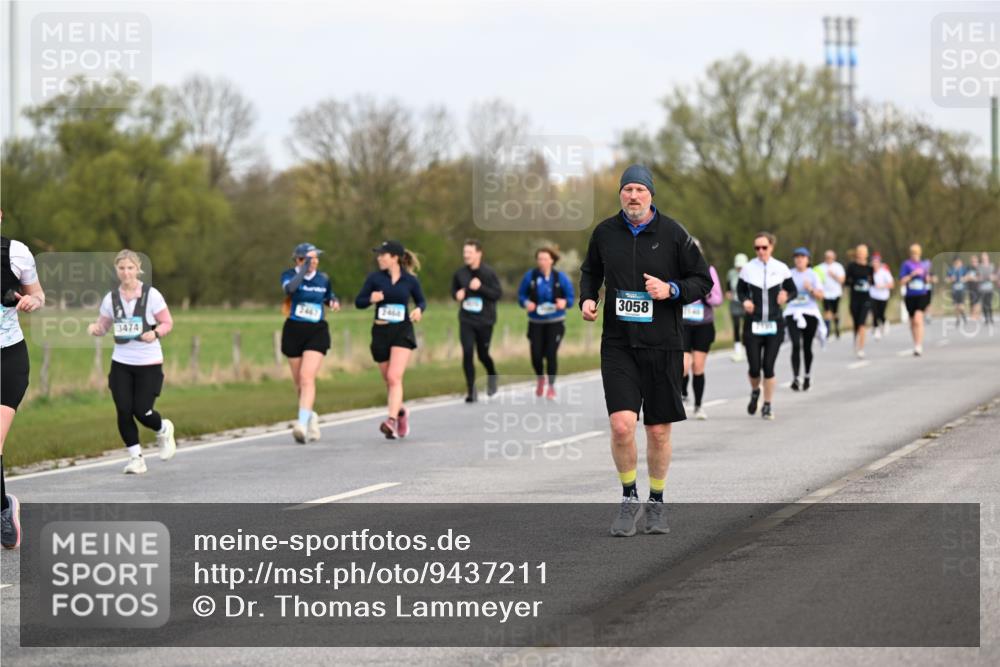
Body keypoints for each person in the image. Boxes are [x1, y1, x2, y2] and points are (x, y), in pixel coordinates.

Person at [579, 164, 711, 537]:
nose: (633, 196)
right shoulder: (605, 232)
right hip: (619, 344)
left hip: (663, 344)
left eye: (640, 189)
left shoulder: (674, 234)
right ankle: (628, 497)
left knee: (657, 431)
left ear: (651, 194)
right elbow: (590, 272)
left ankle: (656, 501)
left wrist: (671, 290)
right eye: (628, 189)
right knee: (622, 426)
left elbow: (702, 280)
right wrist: (588, 298)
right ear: (620, 194)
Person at [87, 250, 176, 475]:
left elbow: (167, 322)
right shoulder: (111, 299)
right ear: (116, 270)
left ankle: (163, 428)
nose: (126, 272)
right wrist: (96, 329)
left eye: (130, 268)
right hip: (121, 363)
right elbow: (103, 326)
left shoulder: (151, 295)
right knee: (124, 411)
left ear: (138, 269)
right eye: (121, 268)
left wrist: (155, 333)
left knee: (142, 411)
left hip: (149, 362)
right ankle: (136, 458)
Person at [1, 209, 45, 549]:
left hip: (8, 358)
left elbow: (38, 295)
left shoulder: (15, 253)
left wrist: (32, 300)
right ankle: (4, 505)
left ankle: (3, 512)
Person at [356, 241, 426, 439]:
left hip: (402, 330)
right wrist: (371, 299)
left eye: (382, 255)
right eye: (378, 255)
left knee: (395, 377)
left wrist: (418, 310)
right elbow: (359, 302)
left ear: (395, 257)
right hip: (380, 332)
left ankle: (391, 421)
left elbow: (421, 301)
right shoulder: (374, 278)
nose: (379, 258)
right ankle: (401, 412)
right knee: (389, 380)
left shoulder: (410, 280)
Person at [280, 243, 340, 443]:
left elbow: (328, 295)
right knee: (299, 383)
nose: (314, 261)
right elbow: (291, 289)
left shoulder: (323, 278)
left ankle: (301, 424)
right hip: (294, 330)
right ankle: (310, 416)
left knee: (307, 377)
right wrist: (303, 270)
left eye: (316, 258)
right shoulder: (289, 275)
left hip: (316, 331)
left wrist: (333, 301)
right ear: (299, 260)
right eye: (310, 258)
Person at [737, 232, 796, 420]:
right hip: (753, 324)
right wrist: (745, 301)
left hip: (774, 324)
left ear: (771, 247)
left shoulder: (781, 268)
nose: (760, 251)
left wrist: (786, 296)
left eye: (764, 247)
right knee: (754, 368)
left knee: (768, 367)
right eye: (757, 248)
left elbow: (793, 290)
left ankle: (768, 405)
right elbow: (740, 290)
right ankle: (756, 390)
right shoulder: (748, 269)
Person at [518, 246, 575, 399]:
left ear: (552, 261)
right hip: (535, 322)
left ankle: (551, 386)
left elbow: (571, 298)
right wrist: (526, 303)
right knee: (536, 355)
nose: (541, 261)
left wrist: (565, 302)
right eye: (539, 259)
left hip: (555, 321)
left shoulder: (560, 278)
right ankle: (540, 378)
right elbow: (521, 296)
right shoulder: (530, 276)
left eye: (545, 259)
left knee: (551, 354)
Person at [452, 239, 502, 403]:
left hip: (485, 321)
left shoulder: (489, 273)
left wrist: (480, 287)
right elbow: (454, 291)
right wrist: (457, 295)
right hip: (466, 320)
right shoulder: (460, 274)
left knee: (483, 355)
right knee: (467, 352)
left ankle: (492, 374)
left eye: (470, 252)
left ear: (479, 254)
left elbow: (497, 294)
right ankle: (471, 390)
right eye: (465, 252)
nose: (466, 255)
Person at [681, 239, 723, 419]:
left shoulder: (709, 270)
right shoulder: (676, 270)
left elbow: (718, 299)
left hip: (703, 325)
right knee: (683, 365)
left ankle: (698, 406)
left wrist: (707, 294)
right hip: (682, 324)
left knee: (698, 366)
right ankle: (683, 394)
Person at [784, 247, 826, 391]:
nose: (799, 259)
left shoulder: (813, 275)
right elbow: (783, 293)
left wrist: (811, 289)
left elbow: (821, 296)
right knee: (796, 344)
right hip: (792, 312)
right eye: (797, 257)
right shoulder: (789, 274)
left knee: (807, 346)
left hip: (809, 312)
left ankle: (807, 375)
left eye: (802, 257)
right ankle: (796, 377)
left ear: (807, 259)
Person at [899, 244, 933, 356]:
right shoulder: (906, 265)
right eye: (913, 253)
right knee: (913, 322)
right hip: (910, 296)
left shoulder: (924, 265)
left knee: (918, 319)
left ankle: (919, 345)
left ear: (920, 253)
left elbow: (928, 280)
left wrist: (926, 277)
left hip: (922, 294)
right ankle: (916, 343)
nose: (915, 255)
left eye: (917, 253)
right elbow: (902, 281)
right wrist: (912, 274)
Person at [844, 244, 875, 358]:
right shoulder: (852, 266)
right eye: (860, 252)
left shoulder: (870, 267)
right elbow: (846, 282)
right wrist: (854, 282)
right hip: (854, 298)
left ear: (866, 254)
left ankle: (861, 348)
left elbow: (873, 282)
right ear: (857, 254)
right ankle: (856, 340)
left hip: (865, 299)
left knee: (862, 323)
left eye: (863, 253)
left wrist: (869, 281)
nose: (861, 255)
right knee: (856, 323)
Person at [817, 249, 846, 340]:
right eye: (827, 257)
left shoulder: (838, 267)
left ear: (834, 257)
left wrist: (833, 275)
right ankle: (827, 331)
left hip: (836, 293)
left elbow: (842, 280)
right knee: (827, 312)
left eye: (830, 257)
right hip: (825, 294)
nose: (829, 259)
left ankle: (837, 328)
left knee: (835, 313)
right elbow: (816, 279)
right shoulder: (820, 267)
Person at [725, 253, 749, 362]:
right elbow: (728, 287)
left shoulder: (750, 274)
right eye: (738, 266)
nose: (739, 268)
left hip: (746, 303)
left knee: (746, 327)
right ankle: (738, 350)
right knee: (736, 326)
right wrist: (728, 293)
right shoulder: (731, 273)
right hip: (734, 302)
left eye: (741, 266)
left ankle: (747, 349)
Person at [870, 254, 894, 340]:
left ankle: (885, 322)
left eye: (876, 262)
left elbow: (891, 284)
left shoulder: (884, 272)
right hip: (872, 295)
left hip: (883, 296)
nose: (875, 264)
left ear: (879, 263)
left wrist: (882, 286)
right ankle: (876, 331)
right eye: (873, 262)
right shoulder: (870, 272)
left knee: (881, 314)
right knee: (874, 313)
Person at [947, 256, 968, 325]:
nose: (958, 264)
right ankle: (958, 319)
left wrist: (964, 278)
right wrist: (951, 279)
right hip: (954, 290)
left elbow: (968, 276)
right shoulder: (951, 270)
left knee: (961, 306)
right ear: (954, 263)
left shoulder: (963, 269)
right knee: (956, 305)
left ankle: (963, 315)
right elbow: (947, 279)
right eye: (956, 263)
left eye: (959, 262)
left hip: (961, 289)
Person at [979, 252, 995, 326]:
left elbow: (994, 276)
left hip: (989, 287)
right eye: (983, 257)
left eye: (985, 256)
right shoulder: (979, 267)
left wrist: (992, 277)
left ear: (987, 257)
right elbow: (979, 277)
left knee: (989, 303)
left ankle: (991, 317)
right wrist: (981, 278)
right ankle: (986, 318)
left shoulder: (992, 266)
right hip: (982, 288)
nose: (984, 258)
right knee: (984, 304)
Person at [966, 254, 982, 322]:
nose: (974, 263)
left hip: (978, 287)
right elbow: (967, 277)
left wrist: (973, 278)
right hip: (971, 287)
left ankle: (977, 315)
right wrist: (972, 278)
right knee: (972, 301)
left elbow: (980, 278)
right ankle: (972, 314)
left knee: (978, 302)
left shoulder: (979, 268)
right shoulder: (968, 268)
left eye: (975, 261)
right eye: (973, 261)